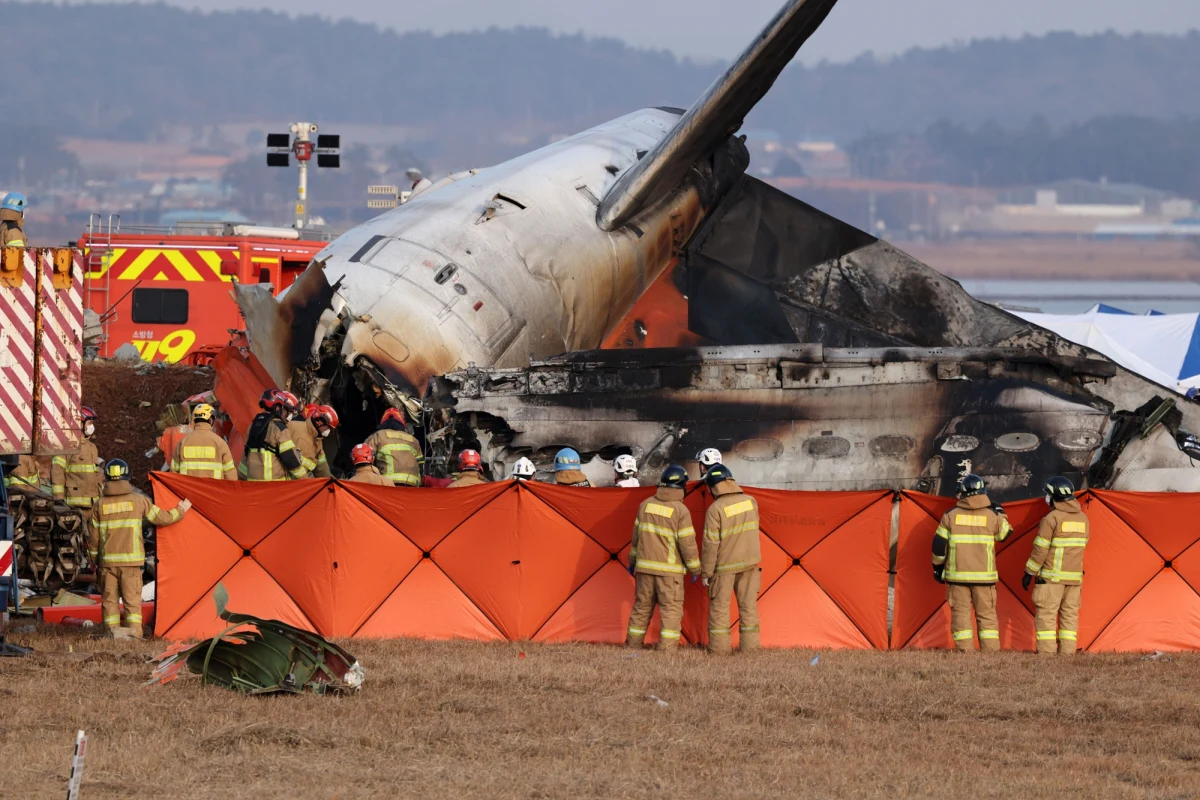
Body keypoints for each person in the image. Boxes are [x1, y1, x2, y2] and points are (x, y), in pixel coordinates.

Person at [89, 458, 191, 637]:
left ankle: (111, 635)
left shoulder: (99, 504)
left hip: (107, 564)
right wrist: (180, 509)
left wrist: (96, 561)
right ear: (127, 476)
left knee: (109, 601)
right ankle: (134, 635)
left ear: (107, 478)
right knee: (132, 602)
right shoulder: (139, 501)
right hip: (131, 563)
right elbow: (162, 518)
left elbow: (93, 539)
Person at [931, 473, 1012, 652]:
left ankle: (965, 652)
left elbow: (939, 545)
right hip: (985, 579)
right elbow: (1005, 534)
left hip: (957, 578)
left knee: (961, 615)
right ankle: (990, 653)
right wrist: (1000, 513)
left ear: (962, 493)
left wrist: (937, 568)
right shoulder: (992, 515)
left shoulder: (950, 515)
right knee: (987, 616)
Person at [626, 465, 700, 651]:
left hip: (644, 569)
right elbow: (687, 544)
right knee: (671, 610)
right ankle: (667, 650)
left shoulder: (645, 505)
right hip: (669, 573)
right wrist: (695, 569)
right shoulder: (680, 510)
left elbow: (636, 538)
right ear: (682, 486)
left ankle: (633, 645)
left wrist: (632, 562)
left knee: (641, 608)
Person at [1023, 476, 1089, 656]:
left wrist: (1029, 572)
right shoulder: (1083, 519)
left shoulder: (1051, 518)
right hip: (1074, 579)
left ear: (1055, 496)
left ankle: (1046, 654)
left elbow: (1040, 550)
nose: (1046, 498)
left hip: (1051, 578)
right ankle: (1067, 654)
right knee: (1069, 616)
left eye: (1048, 494)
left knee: (1047, 615)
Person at [700, 464, 761, 654]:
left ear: (713, 487)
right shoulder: (751, 501)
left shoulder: (715, 509)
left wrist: (706, 572)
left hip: (724, 567)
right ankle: (750, 649)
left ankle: (719, 650)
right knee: (749, 607)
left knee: (719, 609)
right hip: (750, 564)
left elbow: (710, 544)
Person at [238, 389, 306, 481]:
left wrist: (241, 479)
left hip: (253, 483)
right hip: (273, 485)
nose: (290, 416)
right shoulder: (280, 429)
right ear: (280, 408)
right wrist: (304, 480)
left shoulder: (253, 425)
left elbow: (246, 455)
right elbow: (290, 458)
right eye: (289, 411)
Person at [51, 407, 103, 519]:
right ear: (80, 424)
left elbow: (97, 476)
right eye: (90, 423)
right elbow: (57, 473)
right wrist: (59, 498)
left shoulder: (92, 447)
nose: (92, 426)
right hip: (73, 507)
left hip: (93, 505)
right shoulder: (67, 446)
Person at [171, 403, 236, 480]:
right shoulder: (220, 443)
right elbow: (230, 476)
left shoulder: (182, 443)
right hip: (212, 487)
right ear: (211, 420)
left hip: (187, 488)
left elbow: (173, 475)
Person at [363, 408, 423, 487]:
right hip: (412, 484)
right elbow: (421, 464)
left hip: (387, 484)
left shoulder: (378, 435)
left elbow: (363, 458)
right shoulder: (413, 439)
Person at [288, 404, 338, 478]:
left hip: (298, 483)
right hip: (280, 482)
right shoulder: (291, 427)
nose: (329, 431)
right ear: (320, 422)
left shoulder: (318, 444)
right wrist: (304, 480)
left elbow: (323, 472)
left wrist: (335, 482)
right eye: (329, 427)